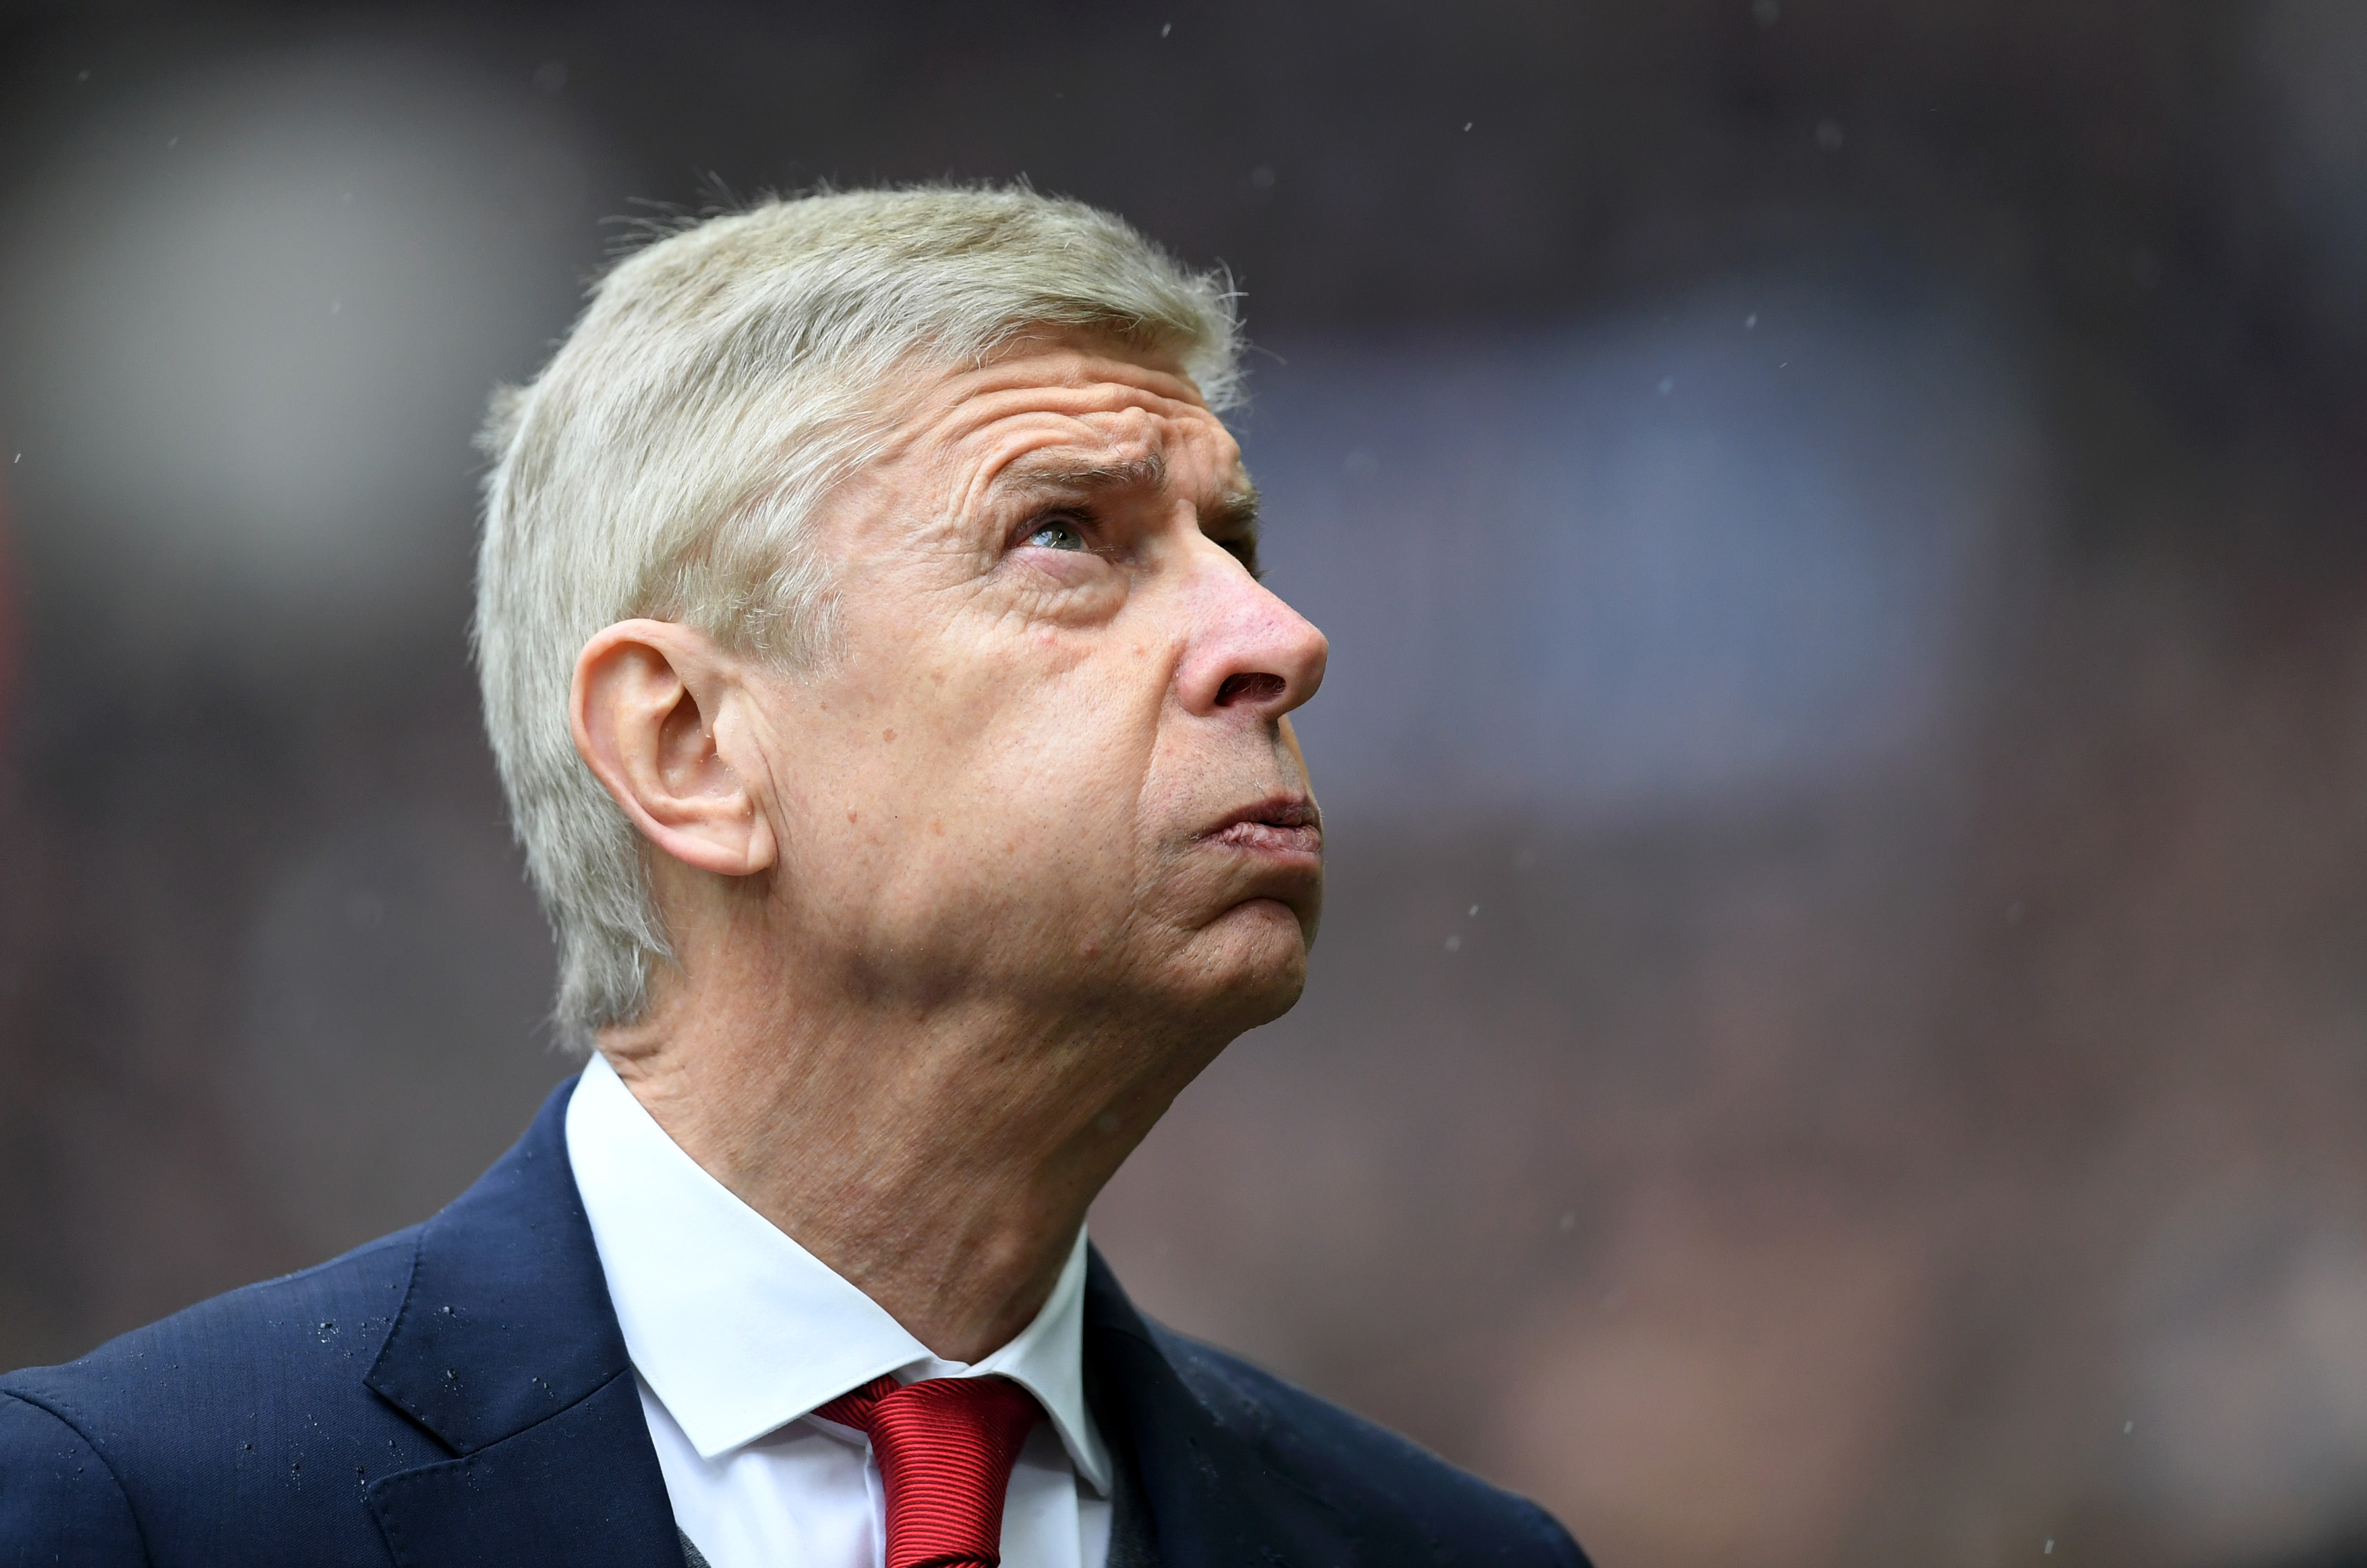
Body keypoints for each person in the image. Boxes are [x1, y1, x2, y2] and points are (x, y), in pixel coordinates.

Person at [0, 186, 1588, 1568]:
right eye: (1062, 533)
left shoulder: (1447, 1551)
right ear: (687, 742)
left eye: (1228, 541)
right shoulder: (134, 1510)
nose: (1275, 634)